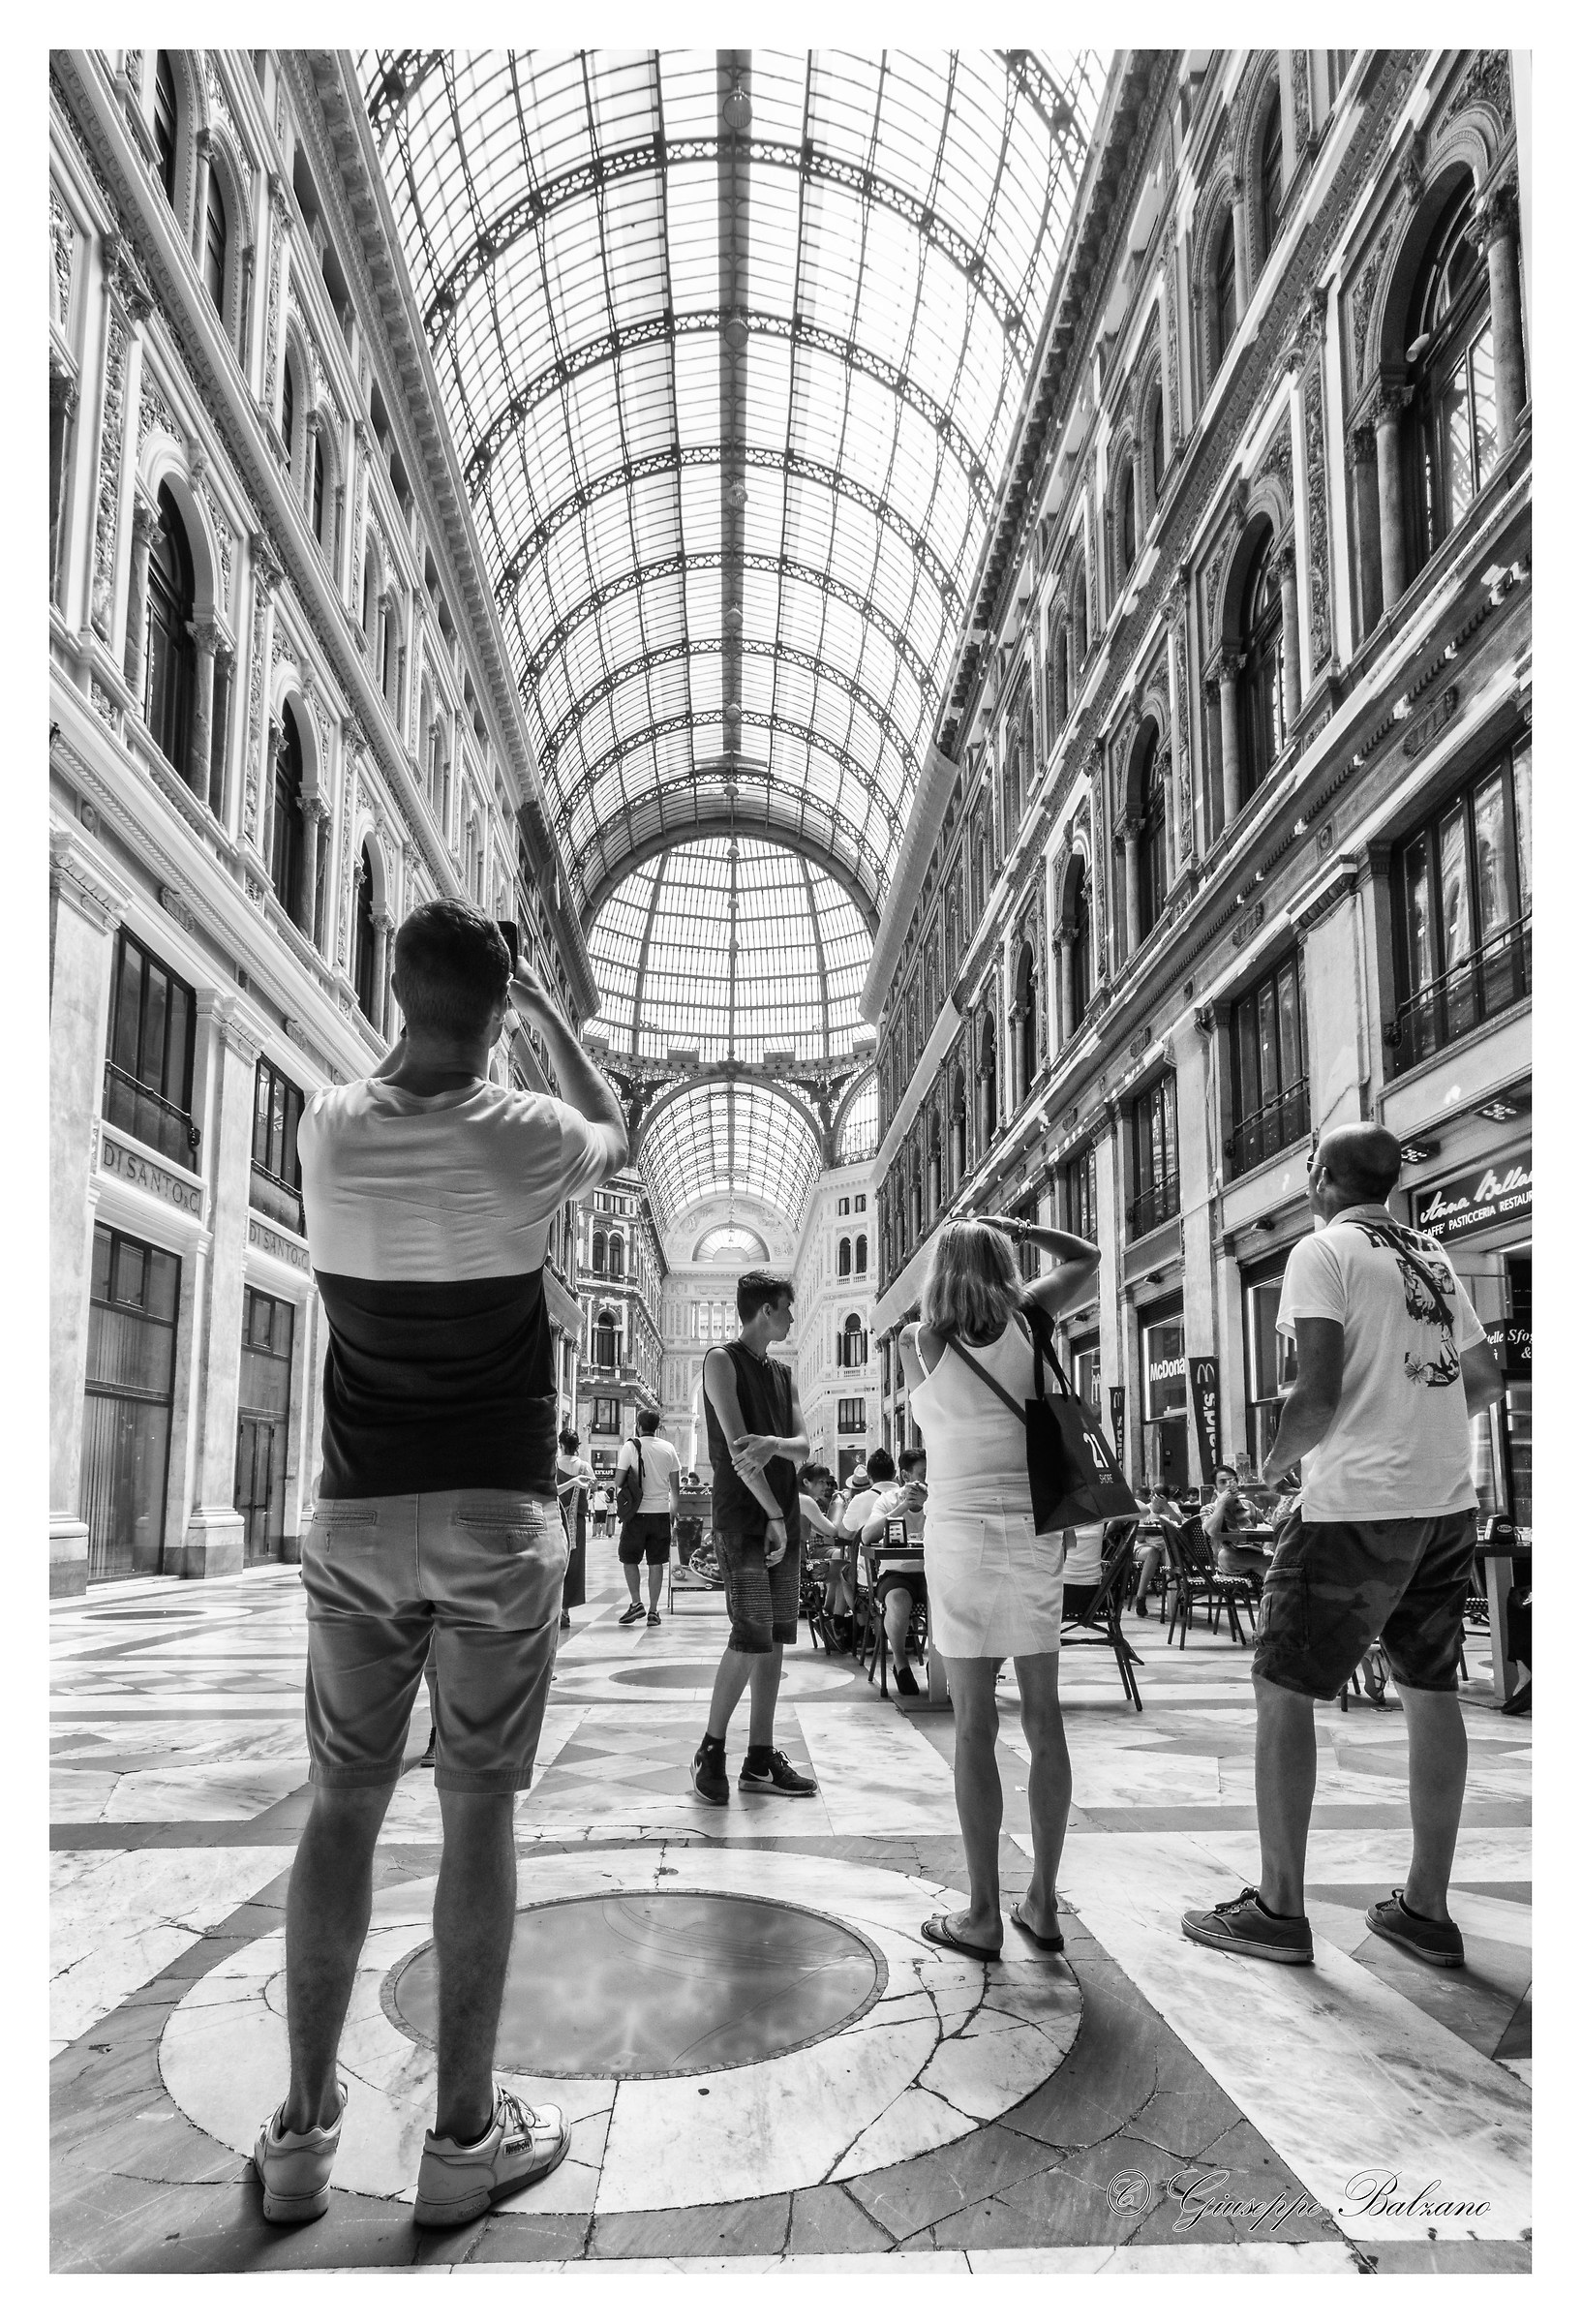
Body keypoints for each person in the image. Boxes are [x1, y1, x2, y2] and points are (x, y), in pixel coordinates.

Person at [255, 900, 625, 2230]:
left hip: (356, 1520)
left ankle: (299, 2135)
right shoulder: (526, 1137)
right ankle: (462, 2139)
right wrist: (540, 1022)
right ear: (503, 1003)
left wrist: (456, 996)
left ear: (393, 992)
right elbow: (617, 1122)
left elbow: (403, 1047)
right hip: (490, 1523)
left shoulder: (329, 1127)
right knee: (478, 1815)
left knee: (338, 1811)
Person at [1183, 1123, 1506, 1970]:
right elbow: (1485, 1380)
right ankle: (1425, 1911)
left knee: (1282, 1689)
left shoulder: (1323, 1252)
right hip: (1445, 1507)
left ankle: (1279, 1909)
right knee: (1429, 1691)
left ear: (1322, 1176)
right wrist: (1415, 1432)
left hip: (1355, 1508)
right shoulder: (1430, 1253)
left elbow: (1314, 1395)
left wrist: (1266, 1471)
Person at [897, 1212, 1101, 1959]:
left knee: (974, 1724)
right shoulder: (1033, 1318)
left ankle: (983, 1914)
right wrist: (1019, 1224)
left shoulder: (924, 1341)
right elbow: (1086, 1254)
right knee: (1043, 1716)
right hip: (1037, 1527)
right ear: (1004, 1260)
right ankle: (1041, 1903)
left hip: (959, 1535)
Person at [690, 1272, 820, 1804]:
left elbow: (802, 1447)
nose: (792, 1316)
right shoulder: (720, 1361)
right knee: (748, 1635)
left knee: (775, 1641)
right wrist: (770, 1510)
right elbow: (742, 1454)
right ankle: (711, 1749)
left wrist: (775, 1443)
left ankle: (760, 1759)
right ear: (766, 1311)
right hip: (746, 1520)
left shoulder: (784, 1374)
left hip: (782, 1518)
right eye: (788, 1308)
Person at [857, 1447, 930, 1695]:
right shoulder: (888, 1499)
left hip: (934, 1571)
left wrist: (929, 1505)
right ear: (906, 1476)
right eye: (922, 1473)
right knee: (899, 1600)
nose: (927, 1478)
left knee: (947, 1599)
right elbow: (866, 1537)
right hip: (896, 1573)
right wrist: (902, 1508)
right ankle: (900, 1663)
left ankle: (941, 1663)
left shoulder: (939, 1501)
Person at [615, 1410, 682, 1627]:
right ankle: (654, 1611)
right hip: (661, 1513)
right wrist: (673, 1512)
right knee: (656, 1563)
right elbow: (675, 1486)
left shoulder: (630, 1446)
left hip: (636, 1514)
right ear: (658, 1426)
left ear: (638, 1425)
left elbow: (618, 1480)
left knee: (629, 1559)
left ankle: (636, 1603)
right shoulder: (669, 1448)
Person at [1205, 1462, 1270, 1586]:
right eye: (1223, 1482)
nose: (1228, 1485)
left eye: (1232, 1481)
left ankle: (1272, 1603)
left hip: (1254, 1555)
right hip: (1229, 1561)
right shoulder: (1209, 1509)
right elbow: (1211, 1532)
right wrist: (1221, 1504)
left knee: (1271, 1574)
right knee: (1225, 1555)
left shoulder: (1249, 1506)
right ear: (1215, 1489)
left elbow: (1269, 1529)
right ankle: (1275, 1561)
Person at [556, 1425, 592, 1631]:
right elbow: (594, 1485)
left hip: (555, 1518)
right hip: (576, 1521)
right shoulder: (583, 1466)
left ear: (560, 1445)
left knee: (556, 1563)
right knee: (574, 1564)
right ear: (577, 1446)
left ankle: (554, 1609)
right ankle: (566, 1611)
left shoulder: (552, 1464)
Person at [1131, 1484, 1185, 1617]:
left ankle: (1175, 1601)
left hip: (1166, 1547)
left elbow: (1179, 1522)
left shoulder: (1172, 1506)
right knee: (1153, 1553)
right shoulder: (1146, 1510)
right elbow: (1139, 1537)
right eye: (1155, 1497)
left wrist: (1166, 1506)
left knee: (1170, 1551)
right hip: (1144, 1546)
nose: (1156, 1502)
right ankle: (1140, 1597)